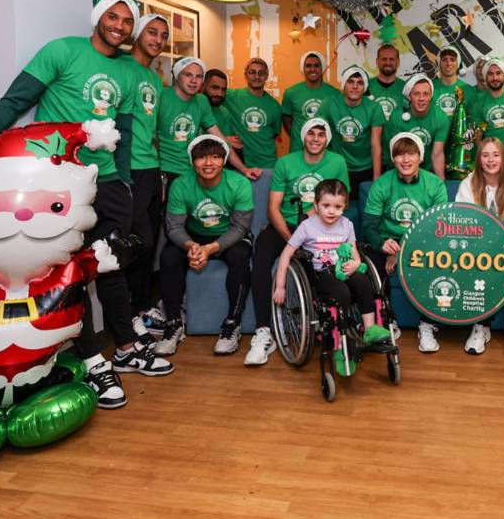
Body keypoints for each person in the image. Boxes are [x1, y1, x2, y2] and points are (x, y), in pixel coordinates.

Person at [0, 0, 172, 408]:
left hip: (106, 181)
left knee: (109, 263)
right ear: (98, 18)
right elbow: (15, 102)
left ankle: (123, 345)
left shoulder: (126, 71)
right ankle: (92, 360)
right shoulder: (62, 51)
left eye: (128, 21)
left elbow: (121, 132)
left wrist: (123, 183)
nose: (121, 26)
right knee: (70, 271)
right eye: (114, 17)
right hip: (57, 180)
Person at [245, 118, 349, 366]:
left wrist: (315, 227)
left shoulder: (337, 162)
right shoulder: (285, 163)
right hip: (285, 226)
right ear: (303, 137)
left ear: (327, 139)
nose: (315, 138)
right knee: (260, 258)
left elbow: (343, 203)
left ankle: (332, 325)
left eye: (321, 134)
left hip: (321, 227)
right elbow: (273, 208)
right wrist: (293, 239)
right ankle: (263, 333)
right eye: (310, 133)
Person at [273, 179, 390, 375]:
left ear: (344, 207)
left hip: (344, 269)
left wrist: (354, 263)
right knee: (341, 291)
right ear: (316, 205)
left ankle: (369, 329)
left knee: (363, 282)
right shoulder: (307, 227)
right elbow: (286, 254)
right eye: (326, 205)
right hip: (321, 274)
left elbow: (354, 253)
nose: (331, 211)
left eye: (337, 206)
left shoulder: (347, 225)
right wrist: (280, 286)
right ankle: (341, 343)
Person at [156, 135, 254, 356]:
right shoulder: (181, 184)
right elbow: (174, 228)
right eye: (201, 158)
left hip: (230, 236)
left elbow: (240, 228)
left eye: (215, 157)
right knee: (169, 256)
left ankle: (232, 324)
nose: (208, 163)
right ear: (192, 161)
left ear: (224, 159)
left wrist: (209, 249)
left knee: (240, 256)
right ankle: (173, 324)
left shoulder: (239, 184)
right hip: (194, 236)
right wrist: (192, 246)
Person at [361, 133, 447, 352]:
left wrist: (402, 252)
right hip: (387, 239)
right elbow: (369, 226)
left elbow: (438, 230)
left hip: (422, 241)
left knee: (434, 260)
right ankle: (386, 321)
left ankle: (427, 326)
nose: (406, 160)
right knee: (368, 263)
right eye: (400, 155)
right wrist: (382, 244)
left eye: (411, 154)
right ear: (393, 158)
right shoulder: (381, 184)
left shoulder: (435, 185)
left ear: (420, 157)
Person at [455, 137, 504, 357]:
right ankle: (481, 326)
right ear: (479, 159)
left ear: (503, 157)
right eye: (486, 155)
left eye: (495, 155)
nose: (491, 160)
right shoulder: (468, 184)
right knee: (478, 262)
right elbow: (464, 218)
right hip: (477, 245)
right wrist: (484, 238)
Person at [119, 13, 170, 338]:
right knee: (135, 245)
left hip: (151, 170)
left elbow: (152, 131)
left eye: (163, 35)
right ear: (138, 33)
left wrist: (161, 172)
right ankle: (127, 315)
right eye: (152, 32)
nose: (157, 39)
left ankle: (140, 308)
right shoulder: (122, 68)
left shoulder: (154, 80)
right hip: (129, 171)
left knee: (149, 244)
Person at [158, 56, 253, 186]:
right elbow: (149, 136)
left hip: (193, 171)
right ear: (177, 75)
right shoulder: (161, 96)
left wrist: (244, 169)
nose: (193, 81)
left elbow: (220, 139)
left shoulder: (202, 101)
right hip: (164, 171)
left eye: (198, 76)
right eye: (188, 75)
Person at [317, 65, 385, 200]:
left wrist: (376, 179)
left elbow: (376, 145)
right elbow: (316, 135)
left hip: (366, 167)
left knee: (365, 209)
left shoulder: (374, 107)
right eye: (350, 81)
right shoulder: (329, 103)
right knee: (339, 208)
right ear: (343, 85)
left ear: (364, 87)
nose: (355, 86)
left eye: (359, 83)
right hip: (339, 166)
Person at [224, 57, 283, 172]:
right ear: (245, 75)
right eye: (252, 72)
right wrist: (222, 138)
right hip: (240, 165)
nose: (257, 77)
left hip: (267, 165)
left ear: (266, 76)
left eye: (261, 73)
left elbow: (275, 134)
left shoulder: (274, 106)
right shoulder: (231, 97)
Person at [385, 74, 448, 178]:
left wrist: (442, 184)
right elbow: (398, 154)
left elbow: (437, 155)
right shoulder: (396, 116)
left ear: (431, 96)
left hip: (428, 172)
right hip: (401, 168)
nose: (421, 98)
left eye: (426, 94)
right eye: (416, 94)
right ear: (409, 96)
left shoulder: (440, 117)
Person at [282, 51, 338, 152]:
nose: (312, 69)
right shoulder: (291, 92)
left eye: (316, 65)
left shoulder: (335, 93)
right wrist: (300, 136)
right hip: (298, 150)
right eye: (308, 66)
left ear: (322, 68)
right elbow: (286, 120)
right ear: (303, 68)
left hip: (325, 151)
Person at [432, 45, 476, 121]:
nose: (448, 63)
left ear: (458, 64)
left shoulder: (469, 90)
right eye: (444, 59)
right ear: (438, 64)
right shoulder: (430, 89)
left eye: (452, 60)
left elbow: (474, 119)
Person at [203, 69, 242, 152]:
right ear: (203, 86)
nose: (220, 94)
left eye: (223, 89)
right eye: (215, 88)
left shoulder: (224, 112)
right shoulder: (193, 108)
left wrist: (235, 141)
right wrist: (222, 140)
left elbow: (229, 144)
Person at [368, 44, 404, 122]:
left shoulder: (406, 88)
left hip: (396, 134)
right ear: (377, 61)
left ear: (398, 62)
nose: (388, 63)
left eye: (391, 59)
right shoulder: (365, 86)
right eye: (384, 59)